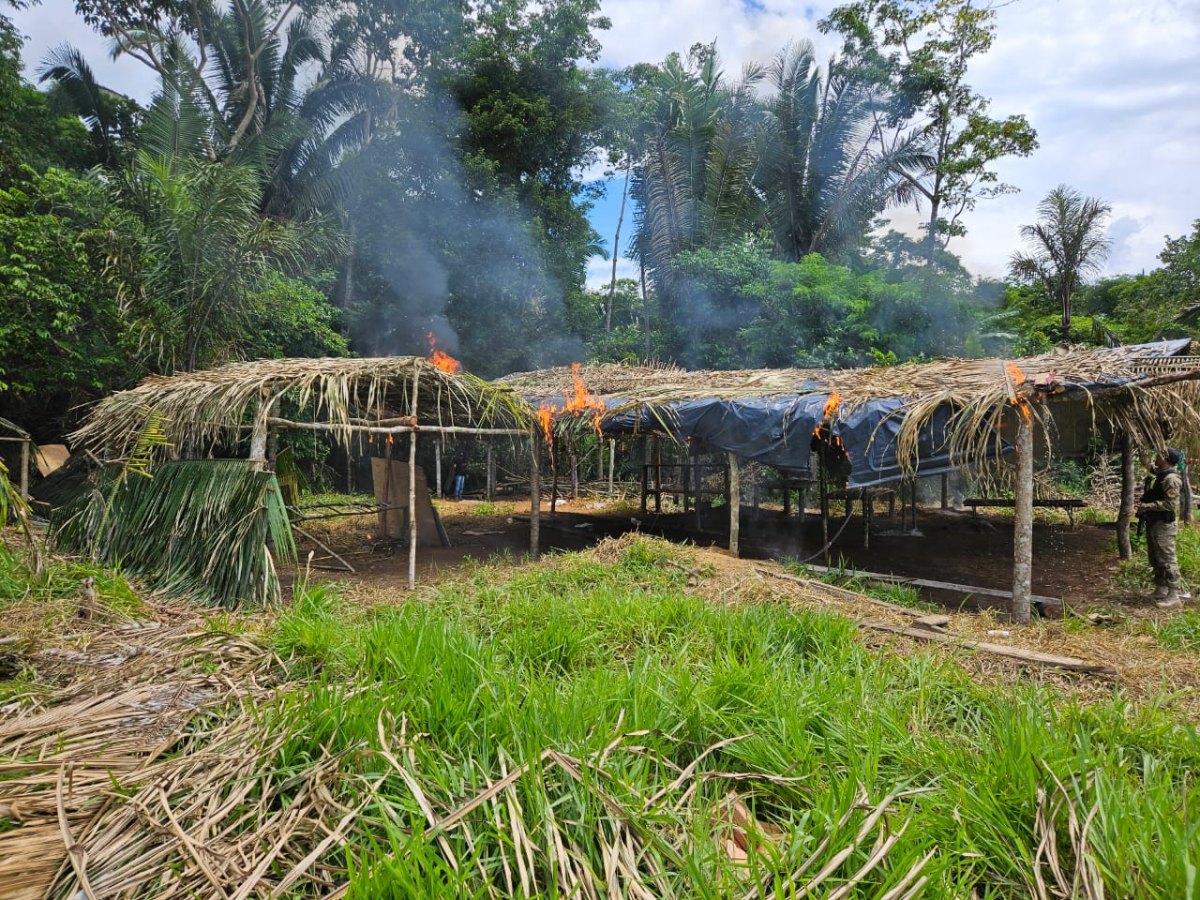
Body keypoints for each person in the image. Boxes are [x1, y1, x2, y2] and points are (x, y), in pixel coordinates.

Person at [1137, 447, 1185, 609]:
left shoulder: (1171, 479)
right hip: (1155, 522)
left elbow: (1171, 504)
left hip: (1164, 524)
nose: (1155, 457)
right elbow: (1147, 464)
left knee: (1167, 558)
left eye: (1158, 454)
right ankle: (1161, 588)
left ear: (1165, 457)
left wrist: (1148, 506)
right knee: (1156, 556)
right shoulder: (1161, 475)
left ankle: (1173, 595)